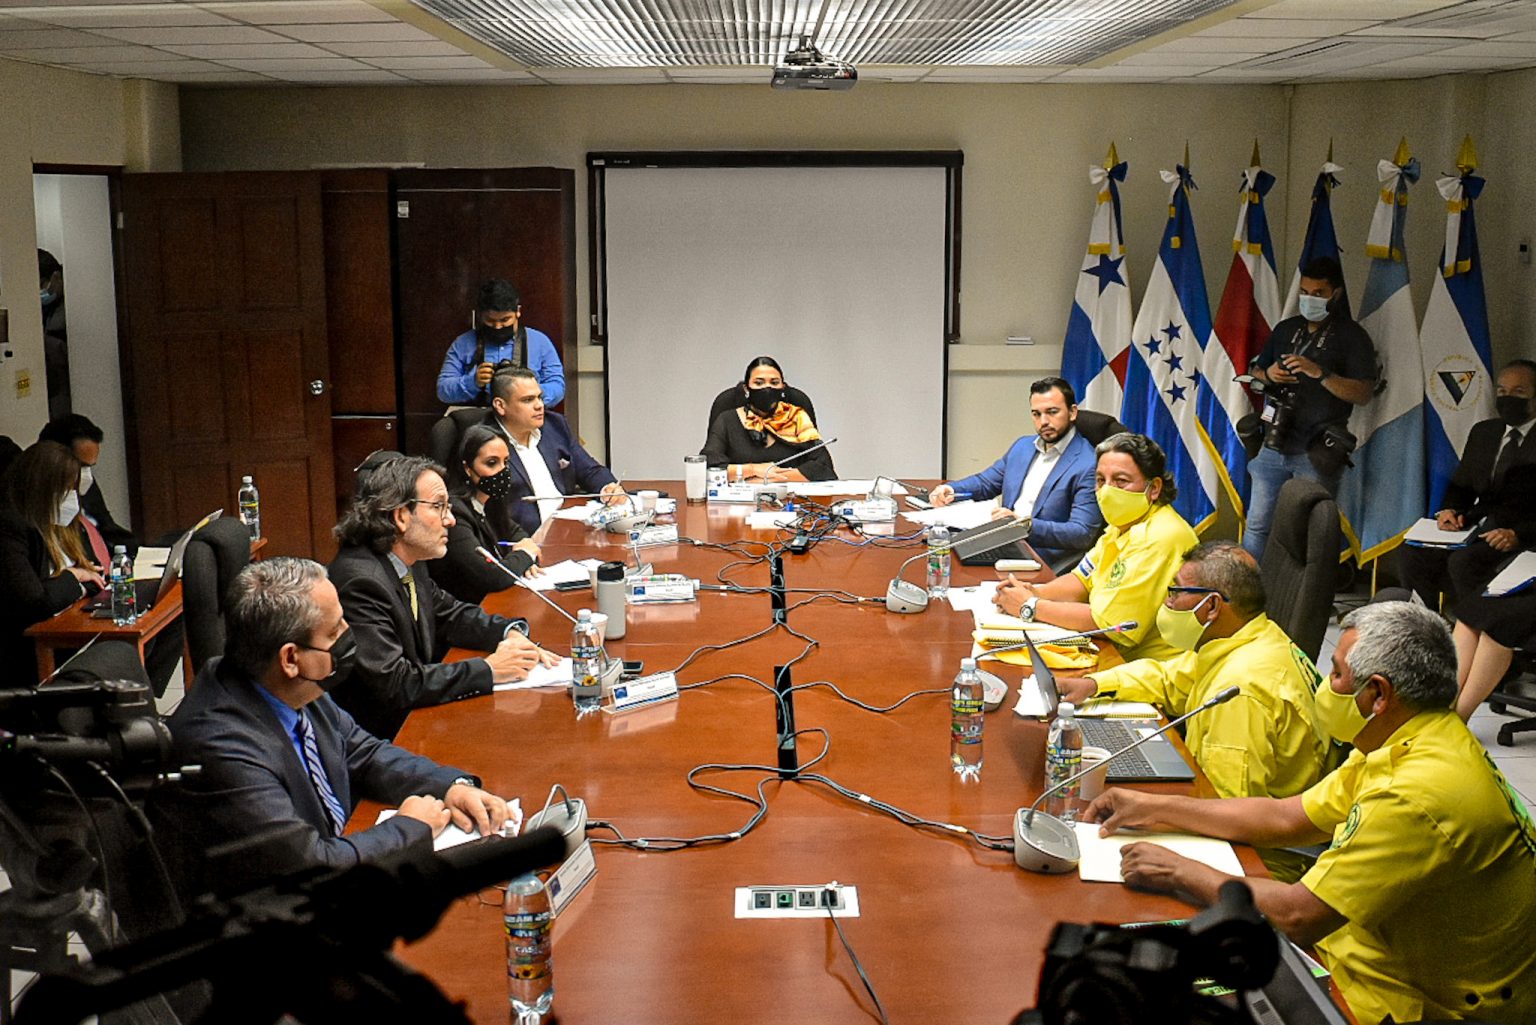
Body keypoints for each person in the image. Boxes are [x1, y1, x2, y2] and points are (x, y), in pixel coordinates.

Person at [1082, 602, 1536, 1025]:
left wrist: (1179, 870)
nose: (1325, 686)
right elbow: (1286, 818)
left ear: (1378, 694)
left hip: (1424, 1000)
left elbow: (1299, 917)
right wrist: (1155, 806)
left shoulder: (1415, 792)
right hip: (1371, 947)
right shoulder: (1410, 736)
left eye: (1336, 674)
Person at [159, 557, 512, 893]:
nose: (348, 635)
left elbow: (363, 751)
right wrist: (410, 827)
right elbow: (311, 865)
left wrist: (451, 786)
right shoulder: (221, 747)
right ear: (290, 658)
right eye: (334, 631)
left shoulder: (289, 685)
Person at [1056, 541, 1328, 878]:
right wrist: (1095, 684)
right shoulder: (1249, 639)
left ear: (1211, 606)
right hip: (1224, 822)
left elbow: (1225, 813)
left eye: (1175, 592)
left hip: (1260, 863)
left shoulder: (1243, 691)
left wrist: (1152, 812)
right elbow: (1171, 679)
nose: (1166, 602)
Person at [327, 454, 558, 741]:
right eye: (438, 507)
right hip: (384, 739)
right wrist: (489, 669)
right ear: (401, 516)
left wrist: (509, 633)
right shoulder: (360, 581)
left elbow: (452, 614)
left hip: (418, 720)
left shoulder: (408, 560)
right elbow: (395, 683)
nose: (450, 520)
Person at [994, 433, 1197, 661]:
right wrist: (1034, 592)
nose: (1107, 490)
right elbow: (1082, 580)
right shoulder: (1123, 524)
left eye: (1121, 481)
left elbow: (1111, 625)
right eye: (1100, 480)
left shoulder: (1160, 537)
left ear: (1154, 488)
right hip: (1108, 651)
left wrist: (1030, 606)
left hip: (1148, 667)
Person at [1242, 256, 1377, 559]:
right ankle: (1250, 585)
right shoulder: (1286, 329)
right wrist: (1269, 374)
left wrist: (1321, 373)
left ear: (1335, 294)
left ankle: (1303, 586)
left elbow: (1363, 393)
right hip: (1274, 440)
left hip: (1317, 448)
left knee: (1308, 530)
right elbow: (1256, 372)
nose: (1309, 299)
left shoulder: (1352, 336)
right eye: (1304, 292)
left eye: (1318, 293)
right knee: (1258, 524)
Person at [1401, 359, 1536, 612]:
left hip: (1521, 534)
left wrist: (1518, 535)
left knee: (1463, 563)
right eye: (1502, 391)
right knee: (1413, 552)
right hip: (1477, 525)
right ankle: (1427, 622)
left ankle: (1476, 628)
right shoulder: (1484, 432)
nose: (1508, 398)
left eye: (1519, 392)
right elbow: (1462, 484)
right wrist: (1449, 510)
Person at [928, 376, 1103, 569]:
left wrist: (1025, 525)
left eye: (1052, 412)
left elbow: (1082, 533)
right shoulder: (1023, 447)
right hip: (1004, 541)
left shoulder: (1089, 464)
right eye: (1036, 414)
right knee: (941, 554)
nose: (1043, 421)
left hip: (1039, 557)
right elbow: (986, 483)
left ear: (1072, 412)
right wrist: (951, 489)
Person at [0, 441, 104, 684]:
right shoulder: (10, 526)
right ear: (42, 490)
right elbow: (36, 602)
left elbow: (95, 574)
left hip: (72, 626)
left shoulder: (64, 521)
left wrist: (74, 581)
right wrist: (74, 576)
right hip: (25, 649)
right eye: (64, 490)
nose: (71, 498)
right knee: (114, 653)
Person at [482, 366, 625, 535]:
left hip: (570, 529)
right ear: (500, 405)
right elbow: (488, 511)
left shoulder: (555, 425)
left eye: (539, 397)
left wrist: (608, 488)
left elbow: (590, 470)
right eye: (528, 400)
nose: (539, 405)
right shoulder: (486, 443)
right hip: (525, 539)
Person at [425, 425, 544, 605]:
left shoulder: (490, 502)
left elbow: (517, 533)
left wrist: (525, 555)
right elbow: (491, 576)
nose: (502, 471)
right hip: (464, 610)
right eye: (491, 463)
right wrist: (526, 555)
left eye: (506, 462)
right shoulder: (454, 513)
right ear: (467, 468)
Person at [701, 356, 836, 483]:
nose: (767, 388)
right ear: (746, 388)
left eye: (774, 383)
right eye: (759, 383)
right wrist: (753, 469)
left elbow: (823, 467)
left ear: (782, 388)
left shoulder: (796, 418)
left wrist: (768, 478)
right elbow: (708, 467)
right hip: (739, 498)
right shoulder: (727, 420)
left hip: (791, 497)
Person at [437, 278, 565, 408]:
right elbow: (443, 391)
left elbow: (558, 387)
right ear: (480, 315)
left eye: (505, 320)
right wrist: (473, 382)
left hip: (525, 415)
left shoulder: (540, 342)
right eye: (490, 320)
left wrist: (529, 393)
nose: (498, 326)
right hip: (477, 415)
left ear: (518, 311)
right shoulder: (463, 344)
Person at [38, 412, 137, 561]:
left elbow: (108, 527)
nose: (86, 475)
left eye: (89, 467)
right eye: (81, 466)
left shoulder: (87, 484)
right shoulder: (33, 506)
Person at [39, 249, 70, 420]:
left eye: (42, 284)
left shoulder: (73, 303)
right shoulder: (46, 306)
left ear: (56, 276)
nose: (40, 291)